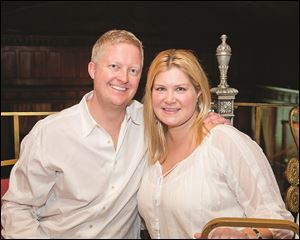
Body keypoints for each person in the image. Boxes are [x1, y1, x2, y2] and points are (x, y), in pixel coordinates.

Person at [1, 30, 226, 239]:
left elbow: (182, 123)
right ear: (92, 69)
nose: (123, 78)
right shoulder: (51, 133)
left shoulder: (153, 123)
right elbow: (17, 208)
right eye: (114, 66)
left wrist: (204, 121)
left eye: (133, 70)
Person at [137, 49, 294, 239]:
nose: (169, 99)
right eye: (161, 88)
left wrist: (244, 235)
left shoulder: (223, 141)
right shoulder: (151, 149)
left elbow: (281, 223)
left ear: (199, 94)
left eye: (180, 89)